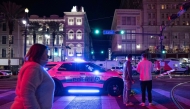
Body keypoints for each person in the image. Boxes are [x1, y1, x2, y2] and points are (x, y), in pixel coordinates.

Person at [11, 44, 55, 109]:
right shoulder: (34, 68)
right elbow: (27, 93)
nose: (48, 56)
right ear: (39, 54)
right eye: (46, 53)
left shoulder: (34, 67)